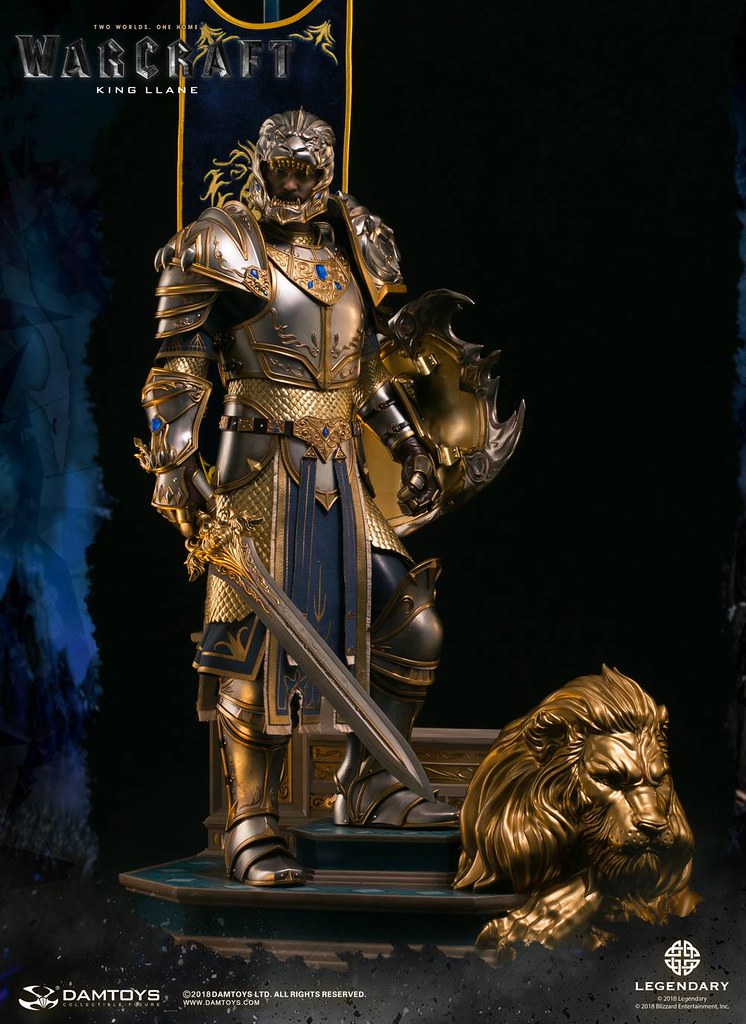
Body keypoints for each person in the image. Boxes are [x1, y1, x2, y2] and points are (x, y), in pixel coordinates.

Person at [137, 109, 460, 887]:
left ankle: (370, 785)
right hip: (256, 469)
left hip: (342, 472)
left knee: (412, 625)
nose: (292, 181)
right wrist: (175, 465)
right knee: (250, 647)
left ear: (325, 172)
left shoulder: (351, 248)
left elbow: (364, 370)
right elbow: (180, 368)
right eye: (280, 166)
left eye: (305, 169)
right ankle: (250, 821)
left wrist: (409, 444)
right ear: (261, 166)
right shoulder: (221, 244)